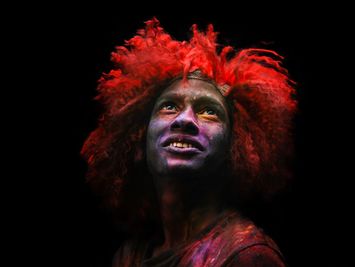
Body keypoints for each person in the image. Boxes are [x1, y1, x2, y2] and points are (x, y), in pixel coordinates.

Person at [81, 17, 297, 267]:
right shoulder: (131, 255)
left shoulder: (246, 257)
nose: (184, 120)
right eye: (169, 106)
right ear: (140, 137)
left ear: (234, 146)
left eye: (208, 111)